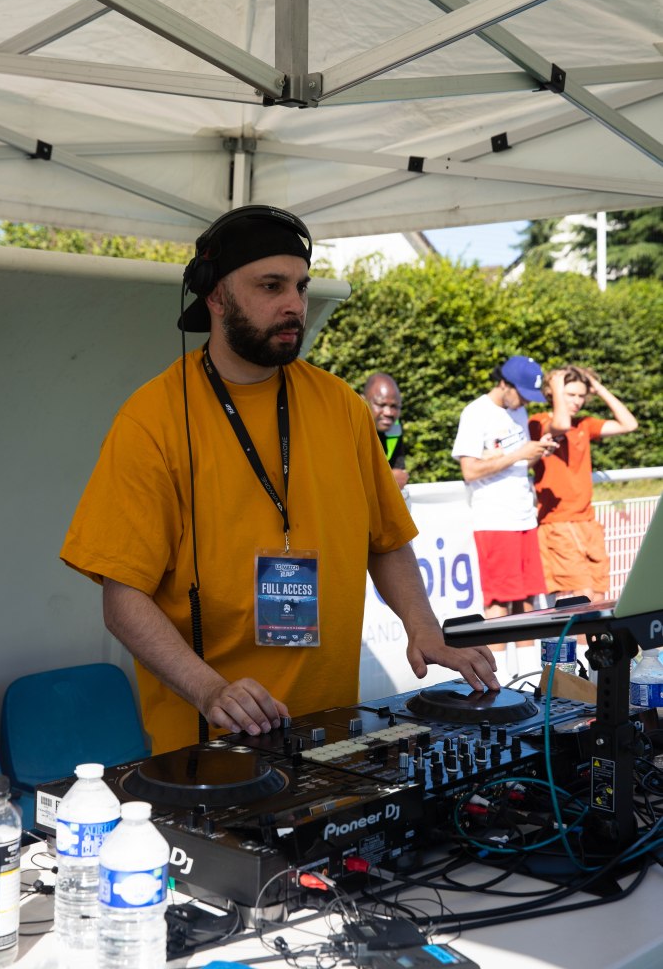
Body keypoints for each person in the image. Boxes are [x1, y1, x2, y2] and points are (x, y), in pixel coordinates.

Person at [61, 205, 498, 754]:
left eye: (301, 285)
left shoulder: (342, 406)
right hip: (209, 750)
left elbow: (385, 541)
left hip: (332, 736)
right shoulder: (152, 420)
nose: (295, 304)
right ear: (215, 296)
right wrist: (210, 690)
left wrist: (423, 627)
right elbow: (123, 600)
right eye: (271, 286)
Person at [452, 355, 557, 619]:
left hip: (524, 516)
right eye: (522, 395)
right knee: (499, 601)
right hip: (495, 519)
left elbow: (519, 463)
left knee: (528, 599)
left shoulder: (518, 410)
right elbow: (470, 470)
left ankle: (528, 650)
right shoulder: (476, 412)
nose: (526, 402)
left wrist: (537, 451)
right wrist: (519, 453)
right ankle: (495, 651)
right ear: (503, 384)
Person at [529, 366, 637, 603]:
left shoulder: (584, 425)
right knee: (582, 597)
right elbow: (561, 424)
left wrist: (598, 388)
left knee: (598, 595)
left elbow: (629, 424)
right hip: (558, 522)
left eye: (581, 395)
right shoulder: (539, 421)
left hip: (587, 521)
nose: (577, 401)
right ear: (553, 392)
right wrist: (556, 387)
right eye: (570, 395)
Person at [362, 373, 409, 488]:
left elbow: (399, 472)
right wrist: (386, 478)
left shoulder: (395, 428)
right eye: (381, 404)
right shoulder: (347, 428)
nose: (389, 413)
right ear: (362, 401)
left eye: (395, 406)